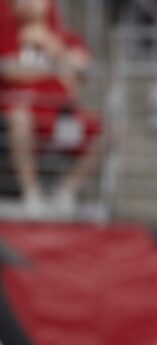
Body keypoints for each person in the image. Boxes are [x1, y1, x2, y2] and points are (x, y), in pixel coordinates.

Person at [0, 0, 103, 218]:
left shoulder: (67, 38)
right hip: (20, 114)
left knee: (109, 130)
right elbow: (8, 72)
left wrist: (51, 46)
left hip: (59, 116)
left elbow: (76, 77)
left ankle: (66, 191)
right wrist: (58, 67)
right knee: (19, 117)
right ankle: (31, 193)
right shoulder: (6, 37)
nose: (28, 4)